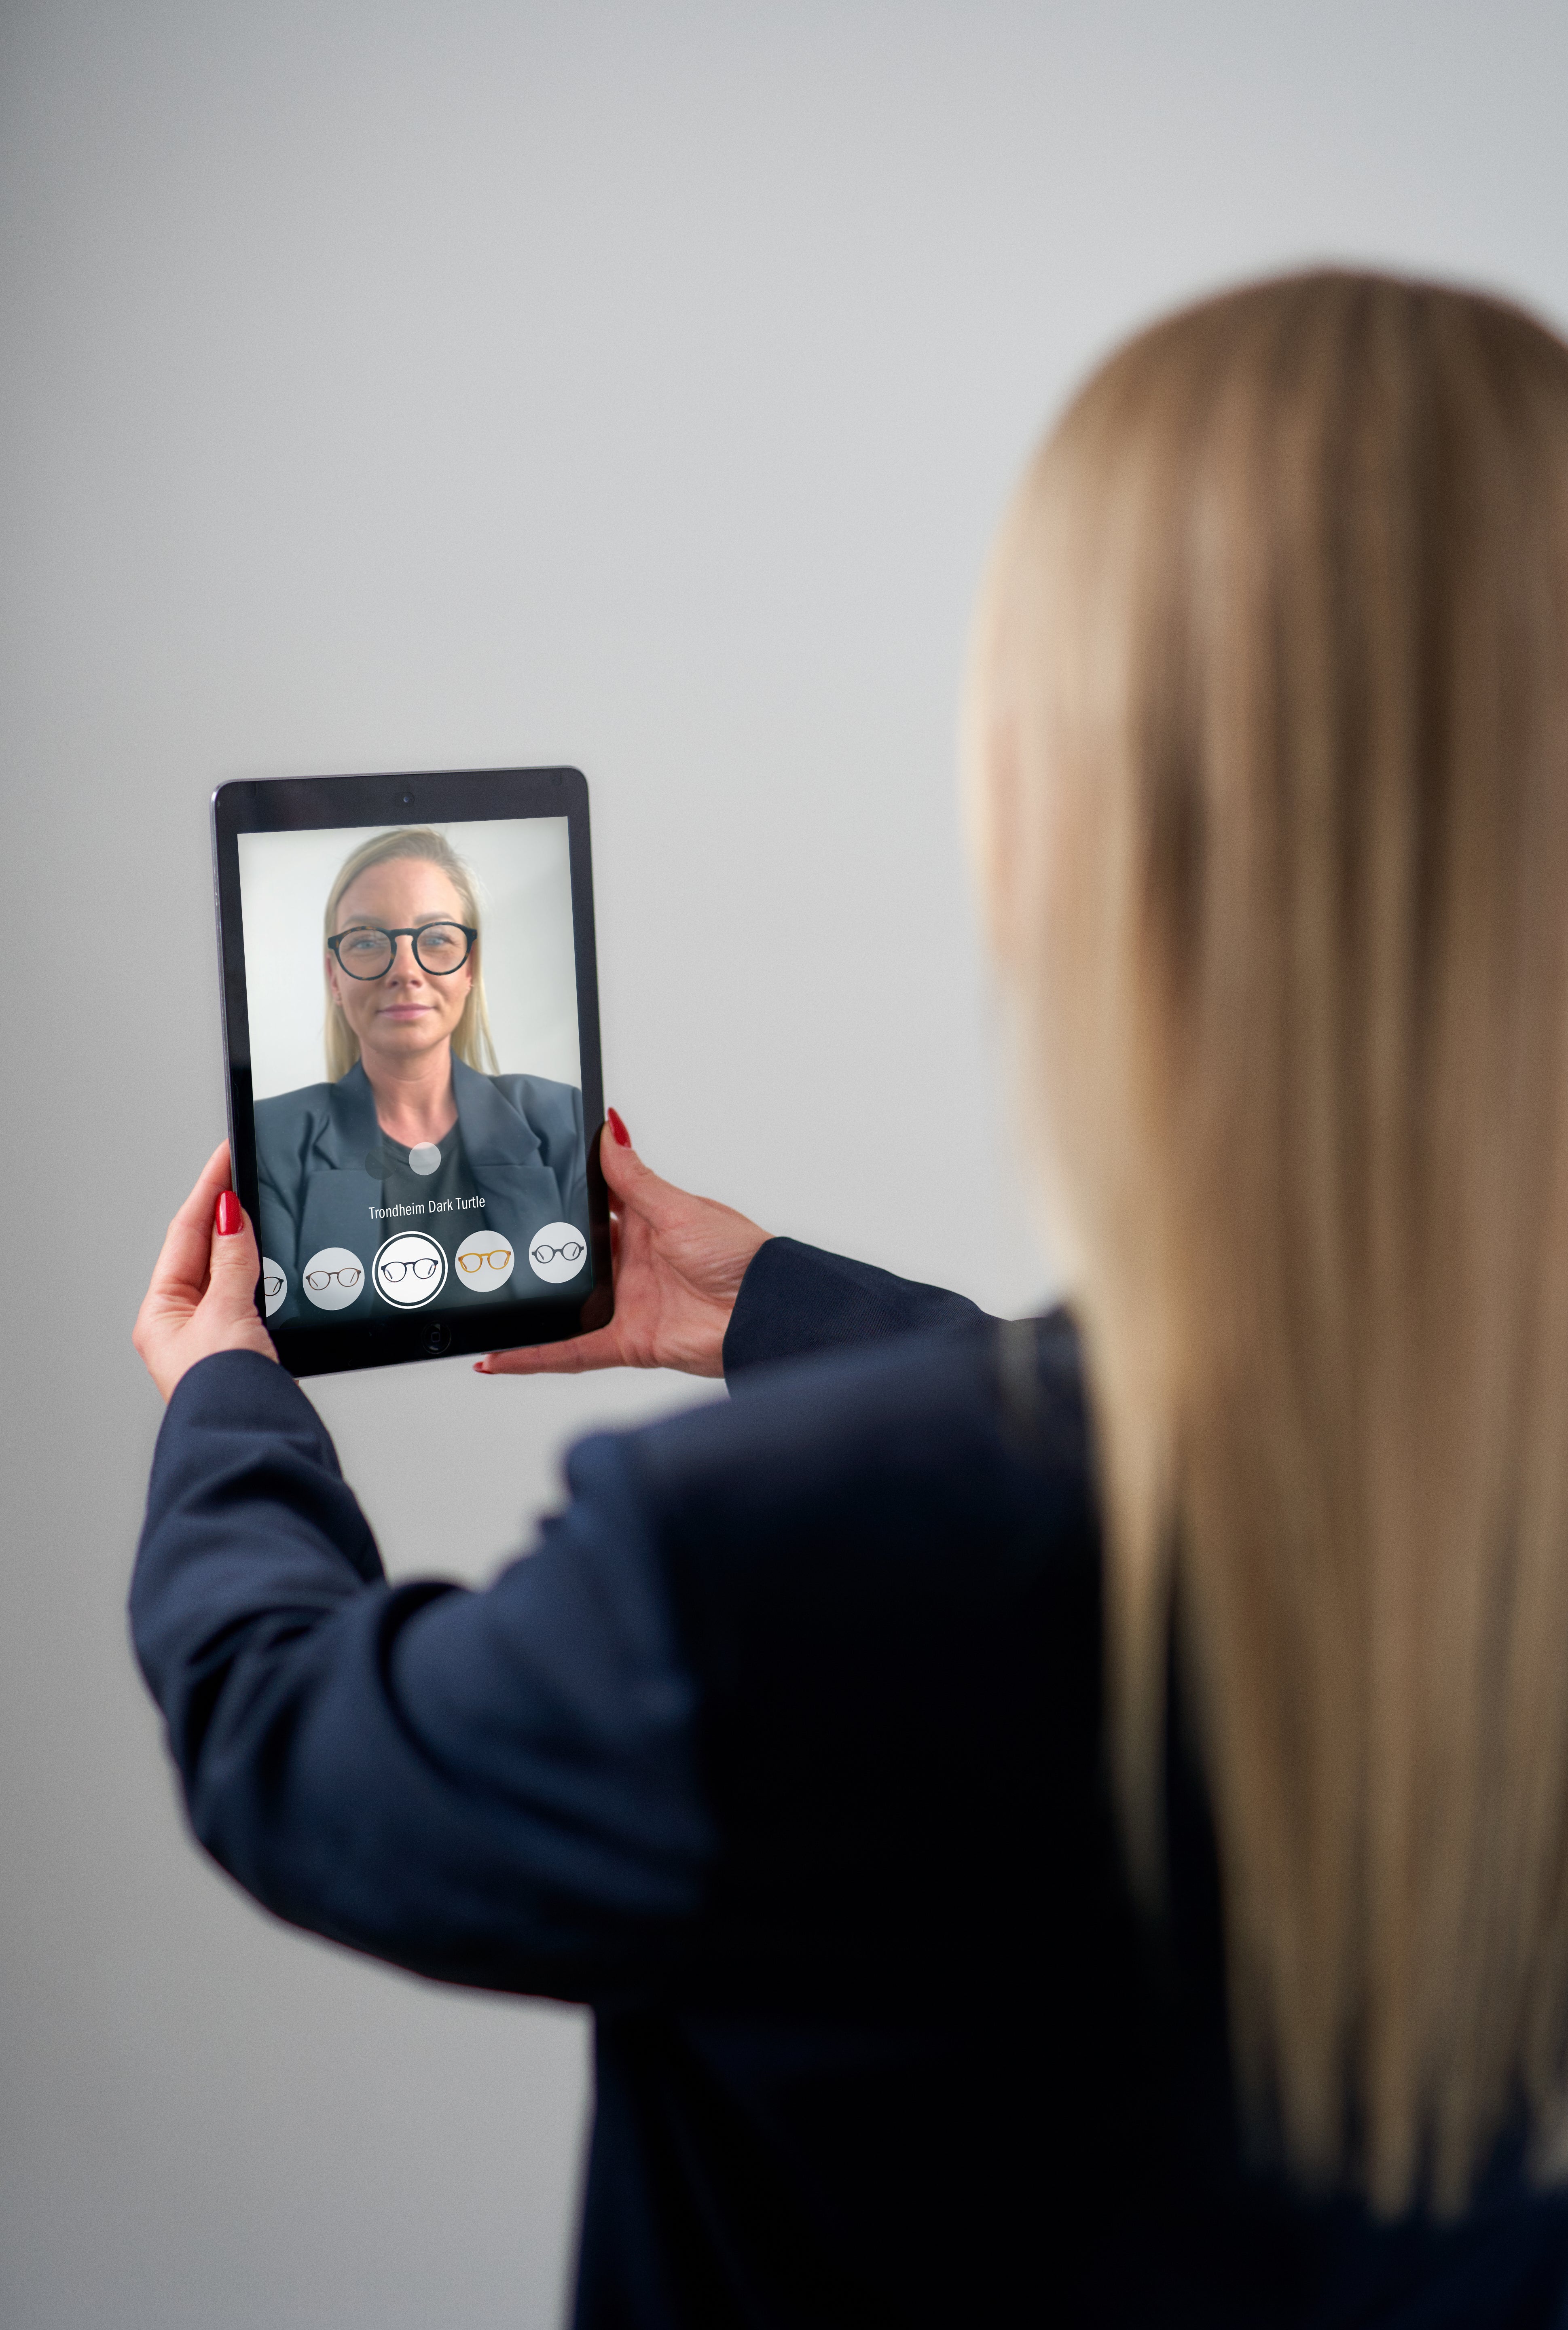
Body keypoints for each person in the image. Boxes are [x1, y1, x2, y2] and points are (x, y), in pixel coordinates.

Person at [131, 271, 1568, 2326]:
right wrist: (770, 1310)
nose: (408, 975)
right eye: (371, 946)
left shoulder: (752, 1581)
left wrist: (226, 1406)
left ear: (1065, 830)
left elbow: (295, 1745)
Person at [253, 825, 588, 1321]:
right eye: (367, 941)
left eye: (435, 939)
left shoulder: (566, 1119)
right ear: (334, 978)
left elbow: (590, 1323)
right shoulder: (268, 1139)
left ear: (470, 968)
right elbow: (272, 1341)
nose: (405, 971)